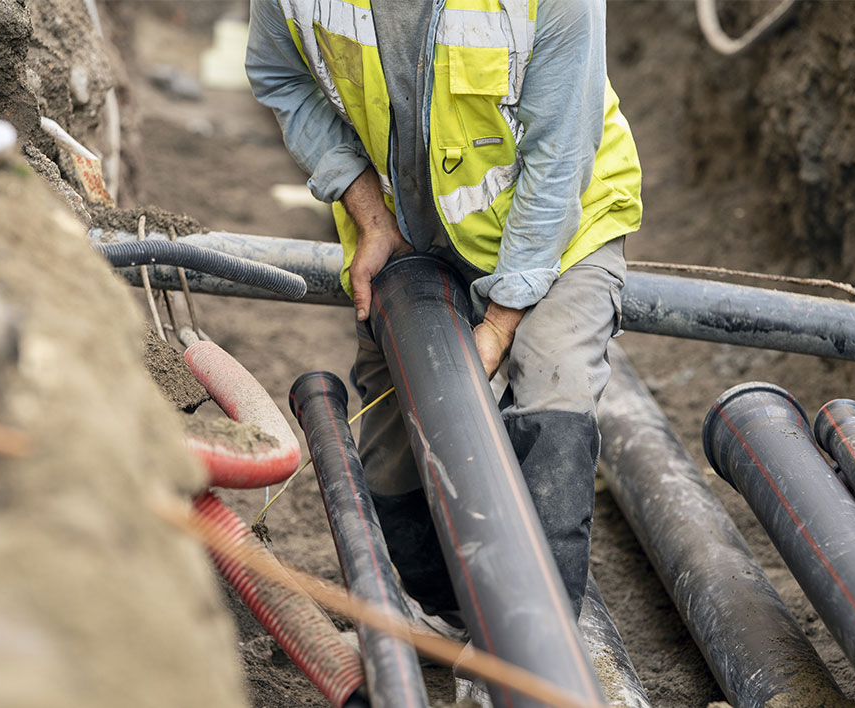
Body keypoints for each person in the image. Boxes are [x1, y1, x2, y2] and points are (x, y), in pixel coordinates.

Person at [246, 0, 642, 621]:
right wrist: (370, 215)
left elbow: (560, 157)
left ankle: (540, 643)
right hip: (408, 230)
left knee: (552, 394)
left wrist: (501, 323)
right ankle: (454, 617)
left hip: (562, 225)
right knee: (392, 469)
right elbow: (280, 75)